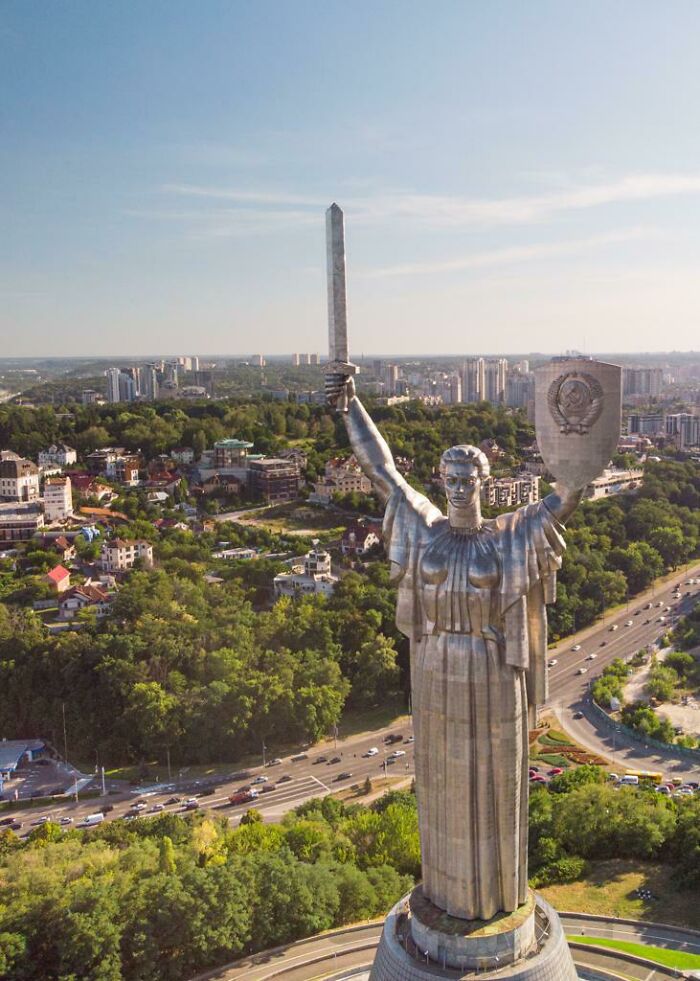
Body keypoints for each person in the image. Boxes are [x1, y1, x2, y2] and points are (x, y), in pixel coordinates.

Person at [326, 373, 582, 921]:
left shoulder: (511, 535)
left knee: (495, 778)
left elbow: (567, 496)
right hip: (435, 661)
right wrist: (350, 408)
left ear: (485, 482)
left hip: (491, 667)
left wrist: (581, 439)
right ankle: (444, 892)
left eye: (469, 478)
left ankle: (493, 899)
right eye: (451, 478)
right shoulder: (425, 529)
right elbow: (382, 470)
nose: (459, 487)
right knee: (440, 777)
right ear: (441, 480)